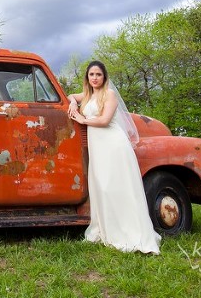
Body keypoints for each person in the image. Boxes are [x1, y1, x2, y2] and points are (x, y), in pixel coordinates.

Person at [67, 60, 161, 255]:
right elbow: (70, 95)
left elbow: (104, 120)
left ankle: (129, 232)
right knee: (101, 186)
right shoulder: (88, 95)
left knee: (116, 186)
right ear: (87, 77)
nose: (94, 78)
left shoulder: (109, 95)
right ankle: (105, 229)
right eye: (91, 74)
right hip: (98, 147)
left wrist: (82, 119)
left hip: (113, 144)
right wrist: (72, 104)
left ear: (104, 77)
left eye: (98, 75)